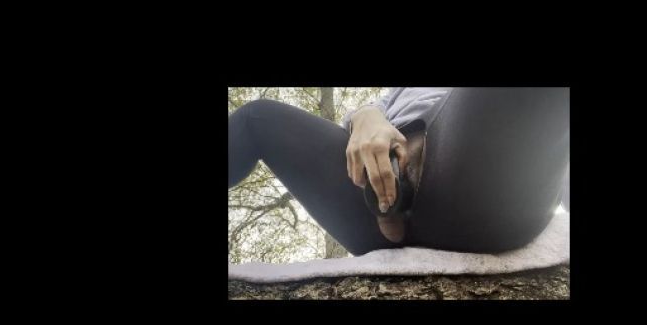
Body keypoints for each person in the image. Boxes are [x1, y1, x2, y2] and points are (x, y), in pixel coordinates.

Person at [229, 88, 570, 255]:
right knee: (258, 118)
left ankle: (396, 192)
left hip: (471, 185)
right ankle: (389, 194)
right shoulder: (394, 93)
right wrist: (366, 117)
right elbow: (358, 120)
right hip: (366, 197)